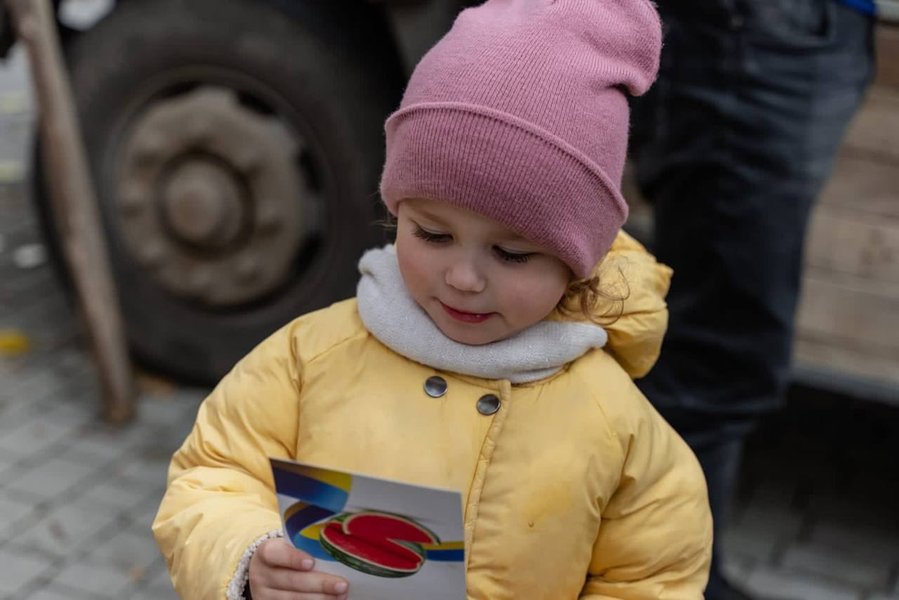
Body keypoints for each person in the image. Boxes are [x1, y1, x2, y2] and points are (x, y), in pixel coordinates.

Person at [153, 0, 713, 598]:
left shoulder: (619, 427)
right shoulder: (307, 359)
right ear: (397, 215)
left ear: (580, 264)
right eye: (433, 235)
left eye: (513, 254)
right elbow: (213, 475)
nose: (464, 278)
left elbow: (654, 579)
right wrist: (247, 557)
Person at [629, 0, 876, 598]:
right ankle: (666, 583)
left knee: (711, 343)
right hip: (755, 30)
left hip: (796, 31)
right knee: (717, 356)